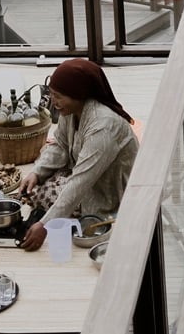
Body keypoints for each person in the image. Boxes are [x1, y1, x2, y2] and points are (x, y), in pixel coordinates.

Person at [18, 59, 140, 252]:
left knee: (48, 200)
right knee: (35, 187)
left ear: (79, 94)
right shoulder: (71, 110)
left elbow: (81, 182)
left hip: (110, 194)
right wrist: (37, 172)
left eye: (58, 96)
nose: (53, 102)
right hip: (86, 178)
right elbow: (59, 144)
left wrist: (46, 225)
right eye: (51, 95)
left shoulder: (103, 127)